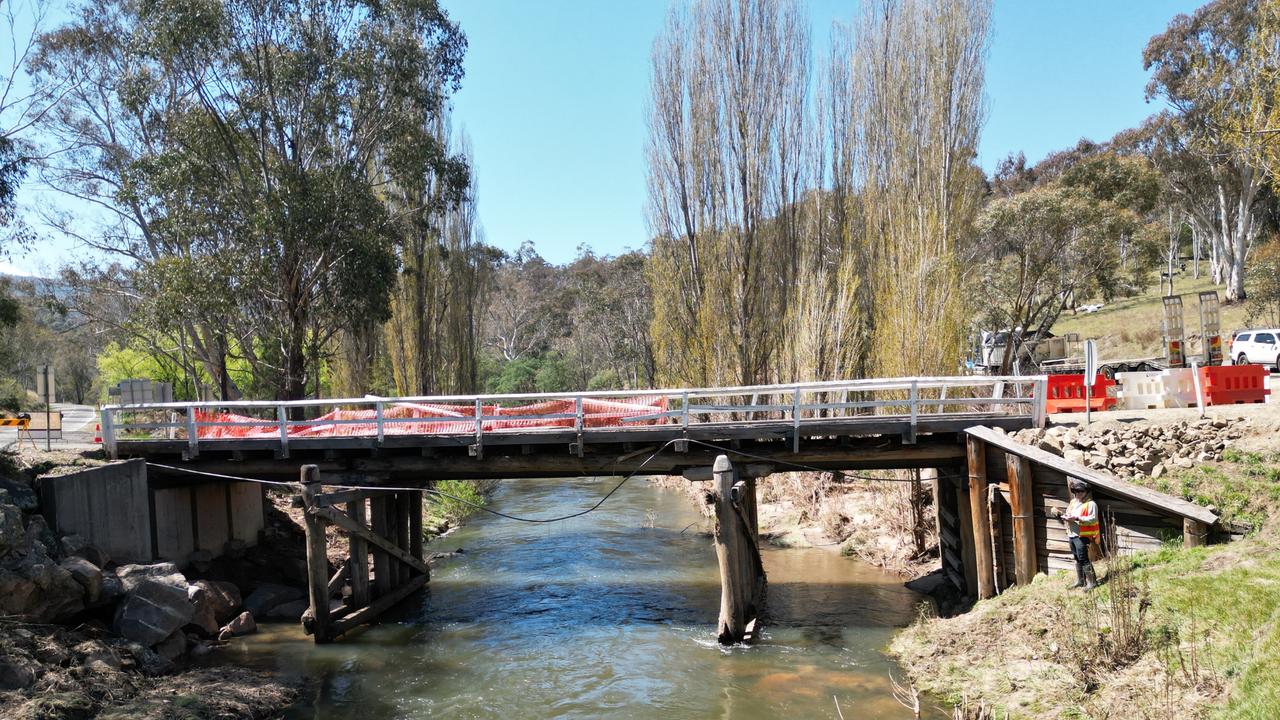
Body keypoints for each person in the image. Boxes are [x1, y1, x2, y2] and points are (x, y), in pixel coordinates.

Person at [1055, 479, 1099, 590]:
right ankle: (1081, 580)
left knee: (1083, 558)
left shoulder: (1091, 504)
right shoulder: (1073, 502)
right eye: (1076, 491)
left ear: (1086, 492)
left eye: (1081, 491)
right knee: (1077, 558)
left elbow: (1093, 519)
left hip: (1082, 535)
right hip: (1071, 534)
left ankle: (1092, 582)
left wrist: (1077, 518)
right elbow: (1069, 515)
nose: (1078, 494)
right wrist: (1061, 515)